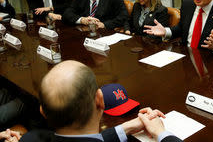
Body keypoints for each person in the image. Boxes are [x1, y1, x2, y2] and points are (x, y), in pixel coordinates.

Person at [20, 60, 181, 142]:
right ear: (100, 100)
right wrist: (162, 134)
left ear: (43, 111)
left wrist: (127, 127)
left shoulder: (29, 138)